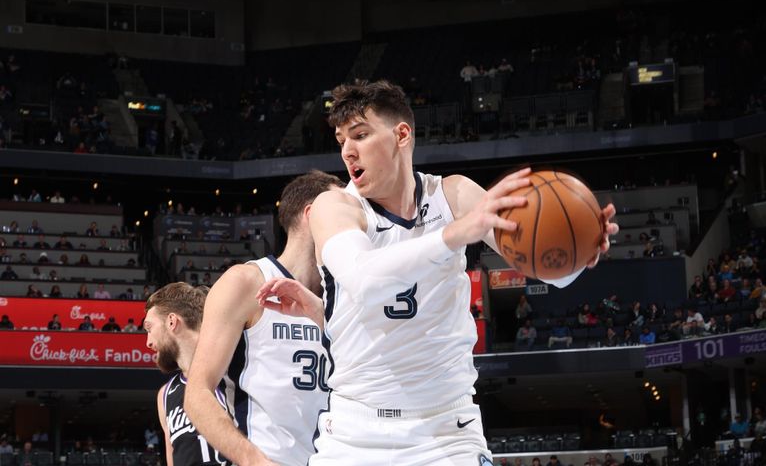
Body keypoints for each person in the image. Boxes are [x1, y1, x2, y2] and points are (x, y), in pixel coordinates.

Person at [259, 81, 617, 465]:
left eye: (360, 135)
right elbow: (365, 280)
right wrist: (454, 234)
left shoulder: (454, 195)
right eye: (341, 138)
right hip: (355, 436)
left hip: (448, 433)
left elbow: (548, 273)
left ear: (401, 135)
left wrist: (577, 256)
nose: (348, 150)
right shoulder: (334, 206)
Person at [185, 171, 345, 466]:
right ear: (312, 215)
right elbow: (197, 393)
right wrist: (252, 460)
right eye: (343, 209)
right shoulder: (246, 281)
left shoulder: (346, 292)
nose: (353, 222)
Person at [145, 282, 228, 466]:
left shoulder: (236, 370)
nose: (148, 342)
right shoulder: (165, 395)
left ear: (172, 322)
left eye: (149, 329)